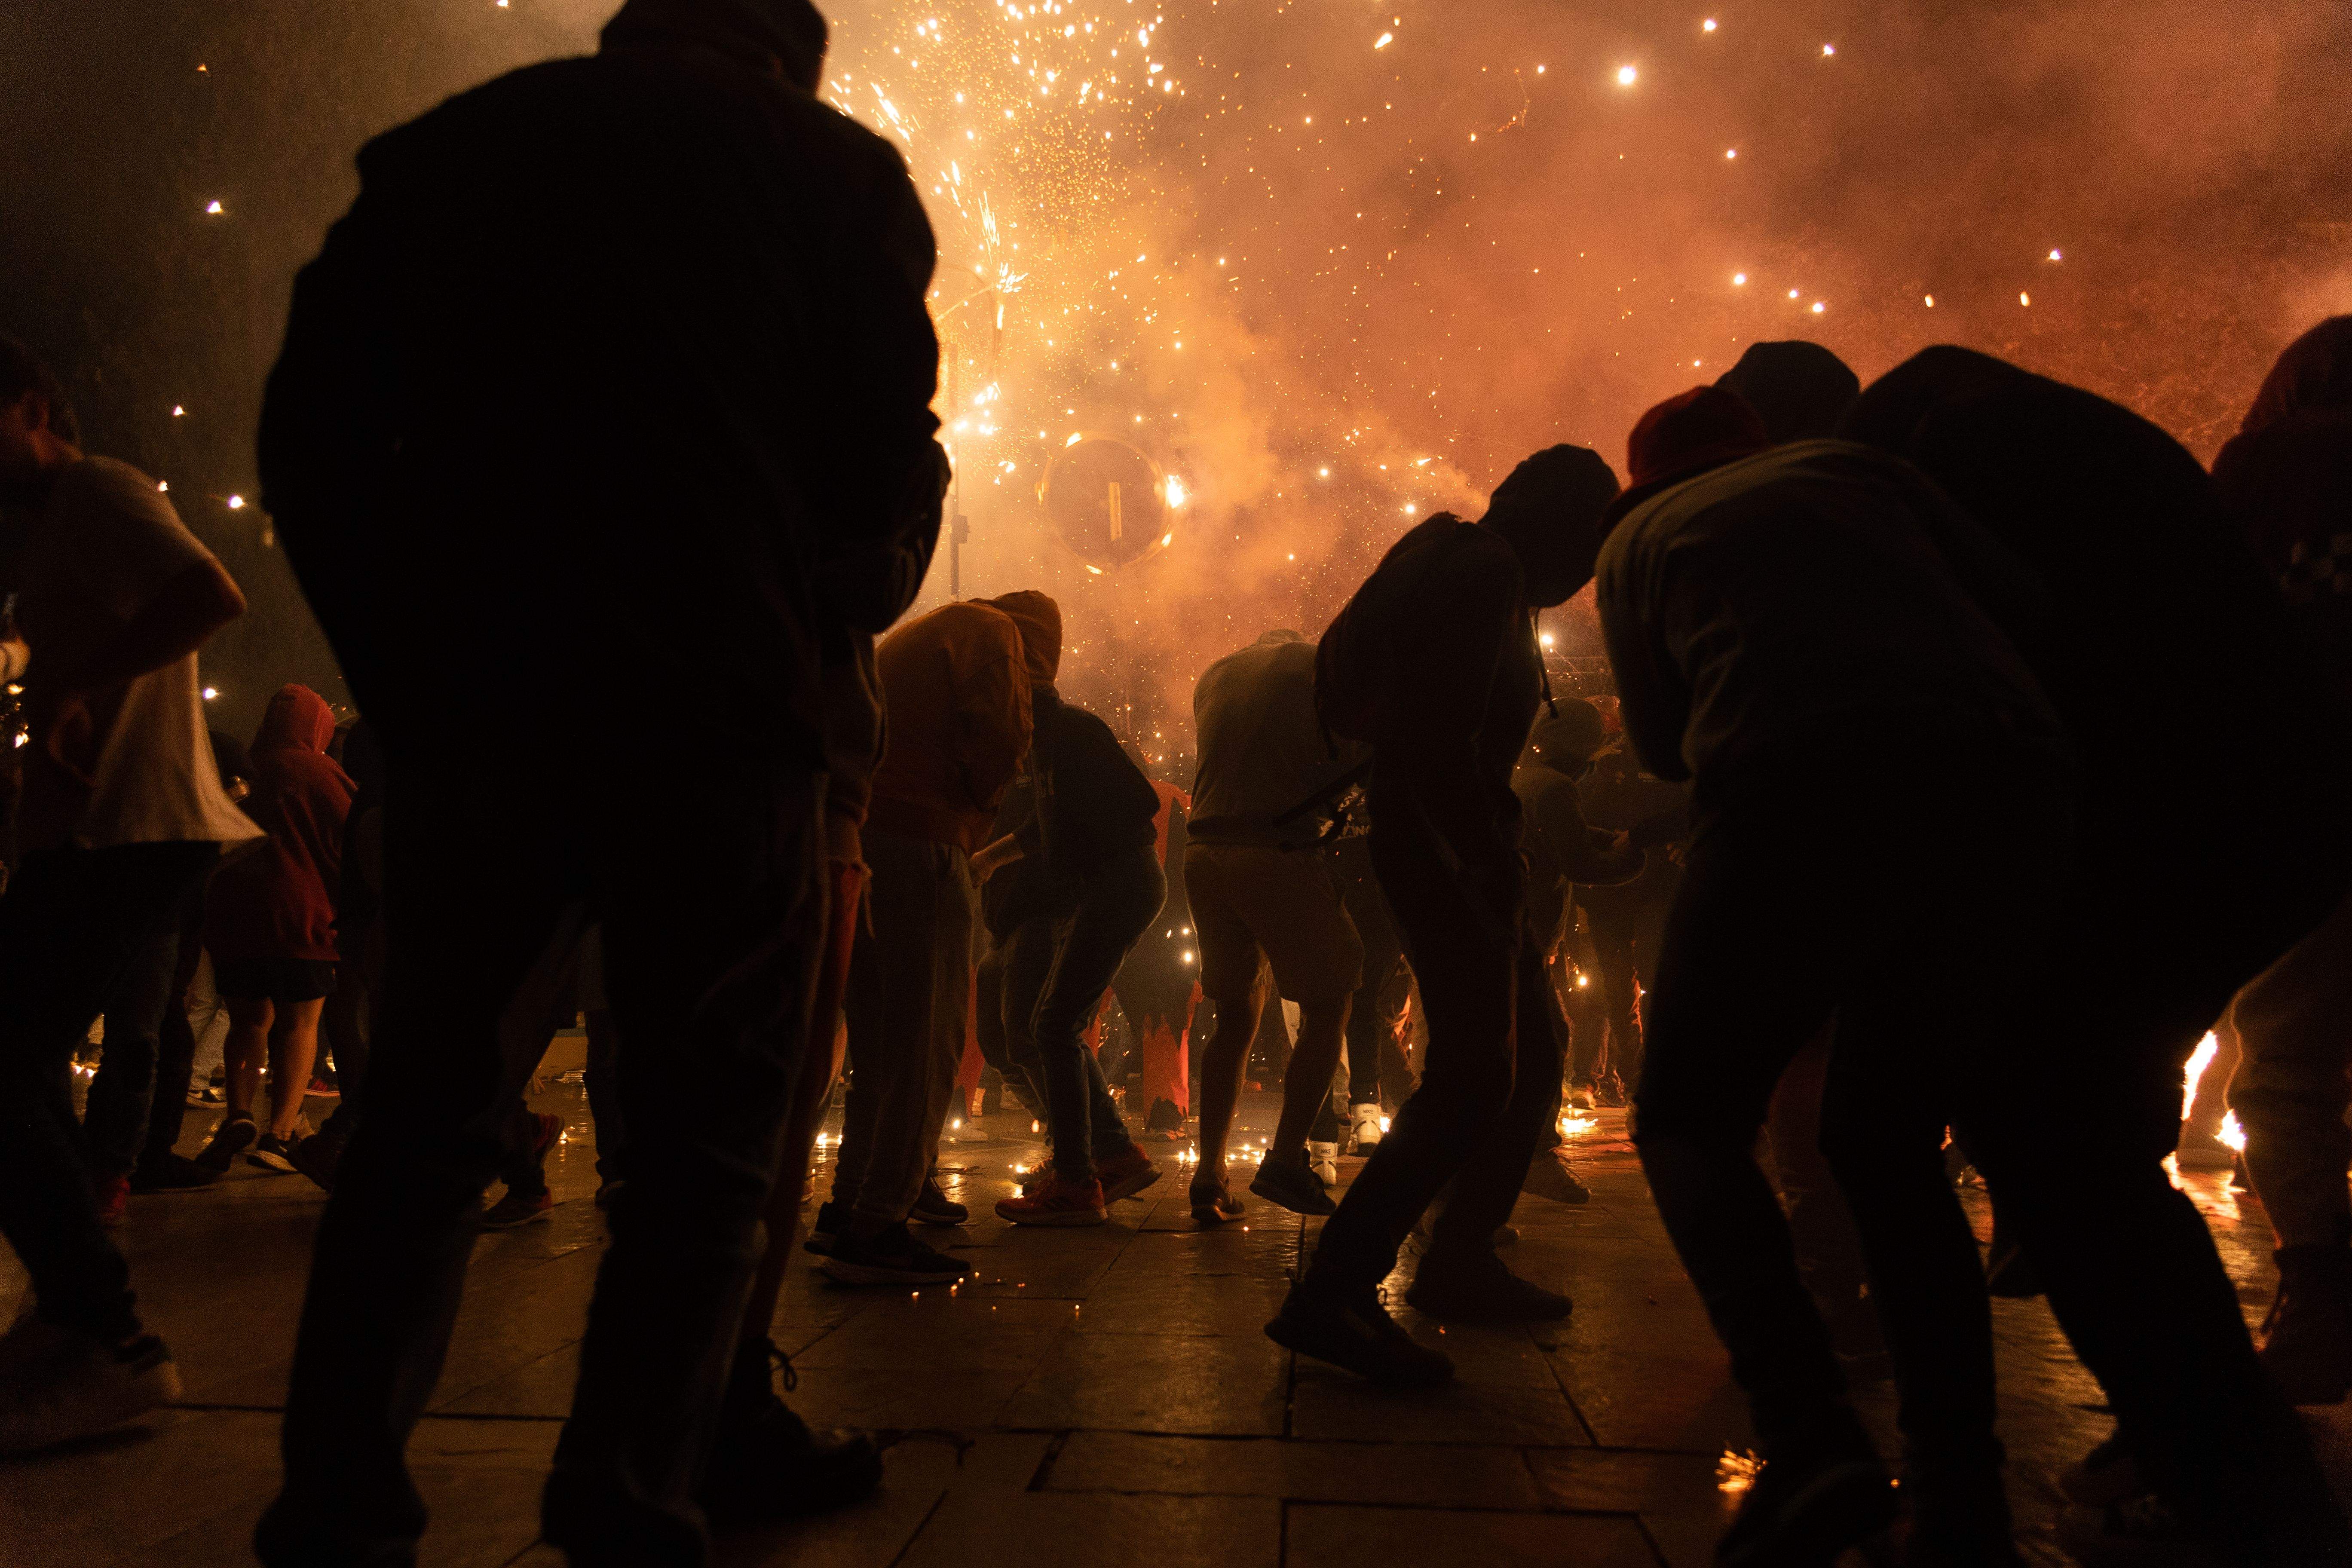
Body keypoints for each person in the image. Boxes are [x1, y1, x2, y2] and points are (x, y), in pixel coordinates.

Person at [248, 0, 949, 1558]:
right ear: (786, 49)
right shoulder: (836, 175)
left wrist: (401, 665)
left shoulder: (451, 148)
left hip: (481, 704)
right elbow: (869, 474)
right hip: (715, 713)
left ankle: (340, 1499)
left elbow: (306, 430)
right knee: (702, 1134)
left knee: (426, 1112)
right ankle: (629, 1488)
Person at [1844, 348, 2352, 1567]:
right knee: (2083, 1139)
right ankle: (2199, 1455)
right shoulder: (2067, 443)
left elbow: (2007, 668)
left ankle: (2234, 1483)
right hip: (2275, 808)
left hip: (2201, 808)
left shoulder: (1933, 466)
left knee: (2069, 1142)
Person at [1590, 386, 2080, 1565]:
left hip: (1797, 776)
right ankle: (1965, 1494)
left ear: (1644, 475)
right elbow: (2027, 610)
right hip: (2003, 780)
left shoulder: (1639, 539)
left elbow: (1661, 747)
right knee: (1890, 1138)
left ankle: (1813, 1437)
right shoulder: (1864, 474)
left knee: (1692, 1113)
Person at [1265, 445, 1622, 1381]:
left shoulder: (1473, 568)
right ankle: (1334, 1290)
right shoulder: (1486, 576)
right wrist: (1486, 860)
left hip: (1437, 842)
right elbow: (1438, 742)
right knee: (1473, 1075)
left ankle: (1460, 1257)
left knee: (1532, 1054)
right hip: (1439, 848)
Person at [0, 336, 258, 1455]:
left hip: (134, 824)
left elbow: (213, 592)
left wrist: (81, 690)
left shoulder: (99, 490)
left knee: (2, 1064)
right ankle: (76, 1321)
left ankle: (107, 1336)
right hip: (86, 834)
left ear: (32, 406)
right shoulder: (43, 530)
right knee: (21, 1068)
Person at [817, 589, 1057, 1284]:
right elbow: (1003, 735)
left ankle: (846, 1202)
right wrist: (978, 812)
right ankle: (880, 1221)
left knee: (877, 1038)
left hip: (863, 832)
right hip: (923, 837)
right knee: (929, 1035)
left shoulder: (927, 633)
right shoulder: (998, 636)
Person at [2209, 318, 2352, 1404]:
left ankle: (2318, 1293)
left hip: (2314, 802)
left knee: (2288, 1062)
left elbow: (2210, 630)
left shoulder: (2269, 469)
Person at [1183, 629, 1370, 1222]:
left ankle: (1209, 1174)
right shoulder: (1316, 669)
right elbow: (1353, 758)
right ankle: (1288, 1160)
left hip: (1205, 853)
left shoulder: (1214, 671)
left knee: (1235, 1016)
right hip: (1274, 850)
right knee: (1331, 1000)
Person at [987, 682, 1168, 1225]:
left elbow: (1143, 801)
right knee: (1054, 1024)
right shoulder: (1047, 747)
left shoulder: (1074, 733)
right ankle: (1109, 1157)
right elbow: (1038, 829)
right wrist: (987, 860)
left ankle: (1078, 1181)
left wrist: (1084, 849)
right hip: (1110, 887)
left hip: (1123, 884)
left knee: (1052, 1026)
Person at [195, 683, 354, 1173]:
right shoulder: (321, 770)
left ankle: (239, 1114)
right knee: (299, 1026)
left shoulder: (243, 767)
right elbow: (351, 839)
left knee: (247, 1023)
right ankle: (279, 1134)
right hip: (301, 917)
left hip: (235, 918)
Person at [1513, 699, 1645, 1124]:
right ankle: (1537, 1141)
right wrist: (1633, 857)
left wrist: (1605, 836)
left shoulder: (1523, 779)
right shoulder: (1555, 787)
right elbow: (1579, 863)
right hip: (1527, 928)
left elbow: (1567, 833)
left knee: (1527, 1031)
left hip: (1512, 924)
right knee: (1549, 1036)